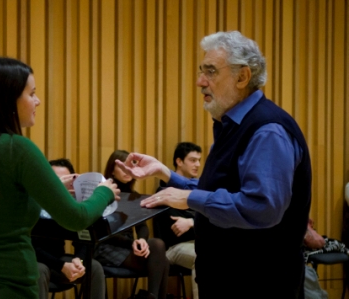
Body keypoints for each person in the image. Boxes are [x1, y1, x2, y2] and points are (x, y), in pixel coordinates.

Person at [116, 31, 311, 299]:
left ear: (242, 77)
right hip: (231, 279)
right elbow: (225, 187)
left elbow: (262, 207)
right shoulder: (232, 124)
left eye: (210, 72)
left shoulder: (267, 131)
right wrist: (167, 174)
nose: (200, 82)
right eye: (201, 71)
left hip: (259, 283)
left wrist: (190, 198)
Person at [0, 56, 120, 299]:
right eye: (31, 93)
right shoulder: (18, 148)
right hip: (9, 290)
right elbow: (77, 218)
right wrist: (104, 192)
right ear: (8, 98)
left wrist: (50, 187)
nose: (38, 101)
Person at [94, 150, 169, 299]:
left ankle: (151, 296)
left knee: (160, 254)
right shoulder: (104, 193)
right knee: (160, 256)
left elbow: (142, 227)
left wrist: (141, 240)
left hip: (130, 246)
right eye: (122, 167)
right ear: (112, 171)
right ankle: (153, 297)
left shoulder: (134, 196)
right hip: (106, 245)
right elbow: (104, 231)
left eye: (130, 166)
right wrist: (133, 242)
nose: (127, 171)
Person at [33, 158, 106, 299]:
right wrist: (61, 266)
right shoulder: (35, 205)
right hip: (38, 261)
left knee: (94, 267)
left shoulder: (72, 207)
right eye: (56, 180)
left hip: (59, 261)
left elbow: (84, 239)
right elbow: (33, 248)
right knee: (39, 270)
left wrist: (79, 260)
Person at [153, 142, 201, 299]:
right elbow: (175, 225)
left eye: (199, 160)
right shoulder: (165, 191)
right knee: (202, 258)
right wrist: (196, 220)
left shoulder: (200, 190)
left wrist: (192, 222)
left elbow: (212, 217)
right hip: (173, 247)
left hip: (197, 242)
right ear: (179, 161)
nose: (198, 165)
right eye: (193, 160)